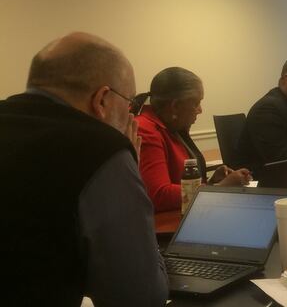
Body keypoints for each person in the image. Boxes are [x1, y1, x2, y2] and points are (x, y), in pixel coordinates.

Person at [0, 32, 168, 306]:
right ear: (102, 99)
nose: (132, 115)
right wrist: (131, 173)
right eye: (131, 103)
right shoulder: (102, 150)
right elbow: (140, 297)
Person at [133, 67, 252, 213]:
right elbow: (159, 194)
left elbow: (181, 183)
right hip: (167, 228)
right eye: (196, 103)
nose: (200, 110)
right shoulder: (145, 129)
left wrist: (214, 181)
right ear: (175, 106)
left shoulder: (172, 127)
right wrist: (219, 188)